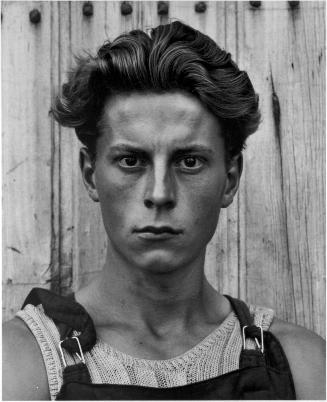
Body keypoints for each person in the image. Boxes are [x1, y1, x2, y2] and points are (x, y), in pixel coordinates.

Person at [3, 21, 325, 400]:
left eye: (189, 162)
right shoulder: (19, 363)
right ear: (91, 175)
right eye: (130, 160)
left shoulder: (301, 365)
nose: (159, 193)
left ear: (231, 179)